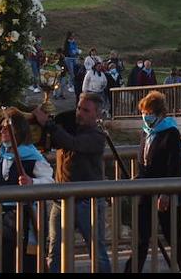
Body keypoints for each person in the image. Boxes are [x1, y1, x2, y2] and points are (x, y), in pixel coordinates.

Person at [31, 92, 111, 272]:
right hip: (61, 200)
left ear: (97, 114)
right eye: (78, 108)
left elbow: (73, 143)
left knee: (97, 252)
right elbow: (56, 140)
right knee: (54, 251)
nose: (79, 113)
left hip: (87, 202)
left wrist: (49, 124)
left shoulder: (97, 137)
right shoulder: (70, 126)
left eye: (85, 110)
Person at [123, 90, 181, 273]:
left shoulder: (170, 133)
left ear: (160, 113)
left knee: (176, 238)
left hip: (165, 195)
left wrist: (167, 192)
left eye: (149, 113)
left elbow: (174, 166)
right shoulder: (147, 133)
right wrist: (137, 178)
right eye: (143, 113)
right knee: (141, 239)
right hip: (146, 193)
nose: (145, 117)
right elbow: (145, 162)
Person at [0, 111, 52, 273]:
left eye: (7, 128)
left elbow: (50, 182)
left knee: (19, 263)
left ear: (18, 131)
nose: (3, 131)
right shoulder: (1, 155)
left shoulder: (32, 157)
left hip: (21, 219)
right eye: (2, 128)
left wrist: (32, 182)